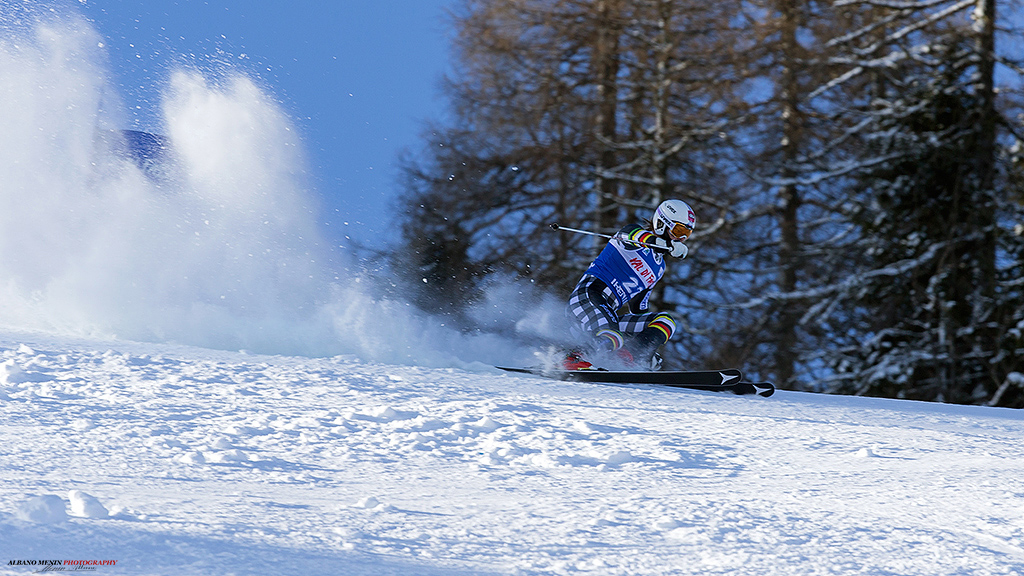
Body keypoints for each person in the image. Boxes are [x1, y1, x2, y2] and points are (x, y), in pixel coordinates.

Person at [563, 199, 695, 370]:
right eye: (678, 231)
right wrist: (661, 243)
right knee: (613, 335)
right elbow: (630, 234)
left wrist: (647, 343)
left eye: (686, 234)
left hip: (608, 313)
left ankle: (633, 357)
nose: (681, 238)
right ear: (663, 223)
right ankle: (571, 357)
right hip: (588, 297)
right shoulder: (635, 235)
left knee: (666, 321)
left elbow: (638, 308)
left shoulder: (659, 267)